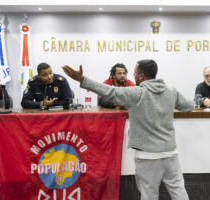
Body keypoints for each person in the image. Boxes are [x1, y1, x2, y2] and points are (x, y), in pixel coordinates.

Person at [62, 59, 194, 200]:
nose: (133, 75)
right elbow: (189, 106)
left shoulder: (137, 93)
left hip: (147, 157)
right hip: (170, 153)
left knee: (149, 195)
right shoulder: (171, 91)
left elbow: (109, 91)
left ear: (141, 76)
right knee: (179, 192)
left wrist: (82, 79)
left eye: (135, 72)